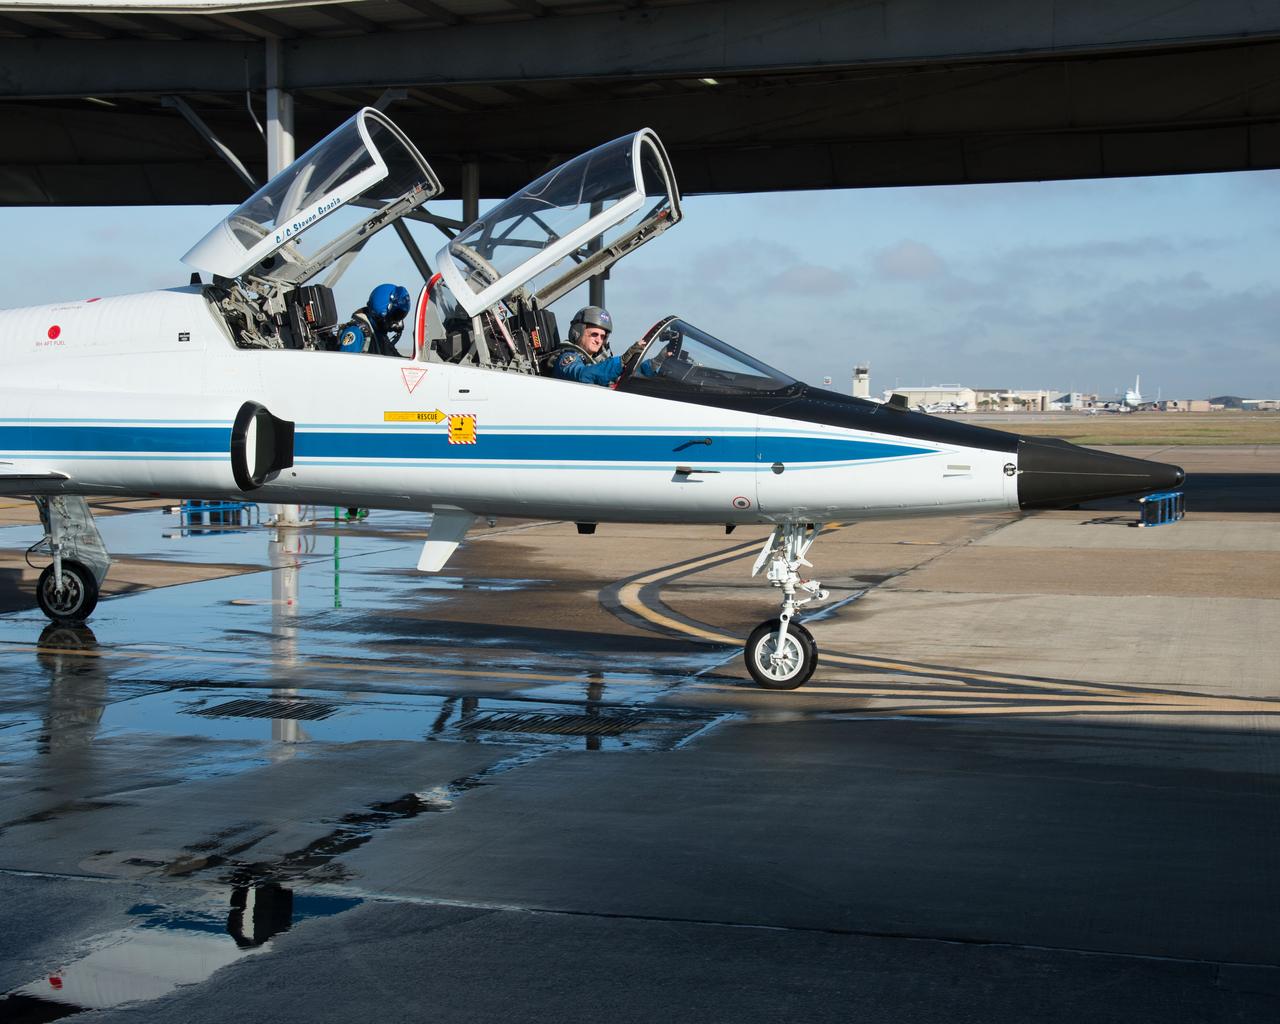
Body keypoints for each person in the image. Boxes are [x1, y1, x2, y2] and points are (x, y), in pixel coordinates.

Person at [549, 306, 649, 386]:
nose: (598, 340)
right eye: (594, 334)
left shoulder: (598, 364)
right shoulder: (567, 358)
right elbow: (582, 375)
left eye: (602, 336)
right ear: (578, 332)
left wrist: (655, 363)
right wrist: (621, 362)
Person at [337, 283, 411, 356]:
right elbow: (345, 365)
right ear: (381, 313)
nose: (398, 322)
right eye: (396, 316)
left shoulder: (379, 334)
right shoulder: (356, 333)